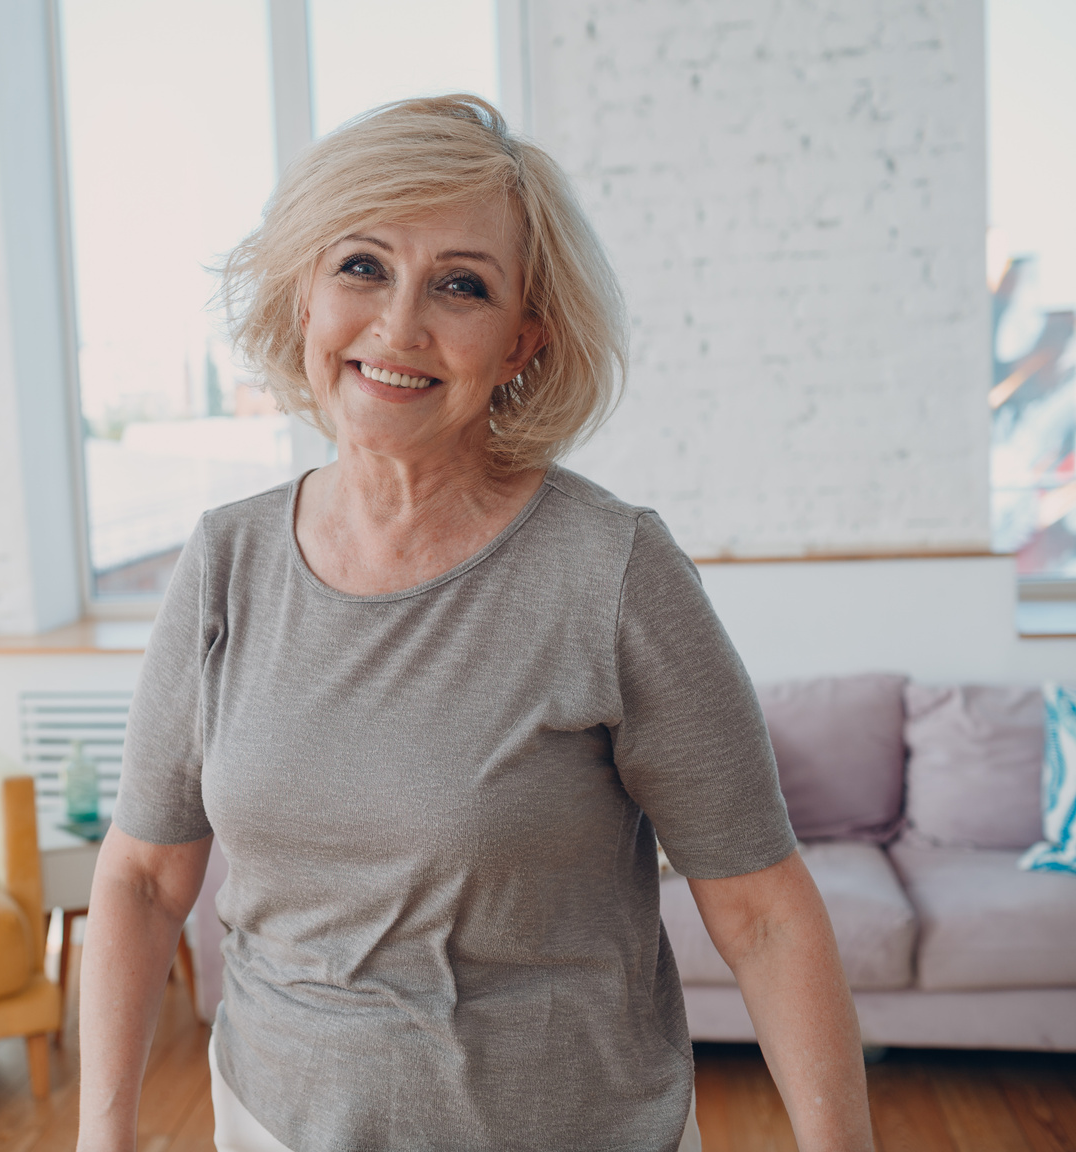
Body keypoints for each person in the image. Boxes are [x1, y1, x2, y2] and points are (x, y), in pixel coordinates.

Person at [75, 95, 872, 1152]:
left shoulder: (615, 570)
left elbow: (765, 913)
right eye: (361, 266)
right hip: (272, 1120)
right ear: (304, 297)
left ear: (520, 344)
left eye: (461, 285)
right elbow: (139, 878)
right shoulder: (225, 562)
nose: (398, 327)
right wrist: (103, 1136)